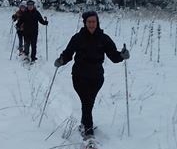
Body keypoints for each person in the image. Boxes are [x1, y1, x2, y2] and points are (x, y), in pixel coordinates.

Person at [53, 11, 130, 139]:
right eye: (89, 22)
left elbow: (114, 56)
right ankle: (89, 133)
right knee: (86, 102)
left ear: (97, 22)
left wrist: (122, 55)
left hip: (97, 76)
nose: (91, 24)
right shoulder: (77, 38)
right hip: (79, 75)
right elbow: (68, 53)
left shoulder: (104, 38)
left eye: (94, 22)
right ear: (85, 23)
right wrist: (61, 60)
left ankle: (84, 124)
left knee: (88, 103)